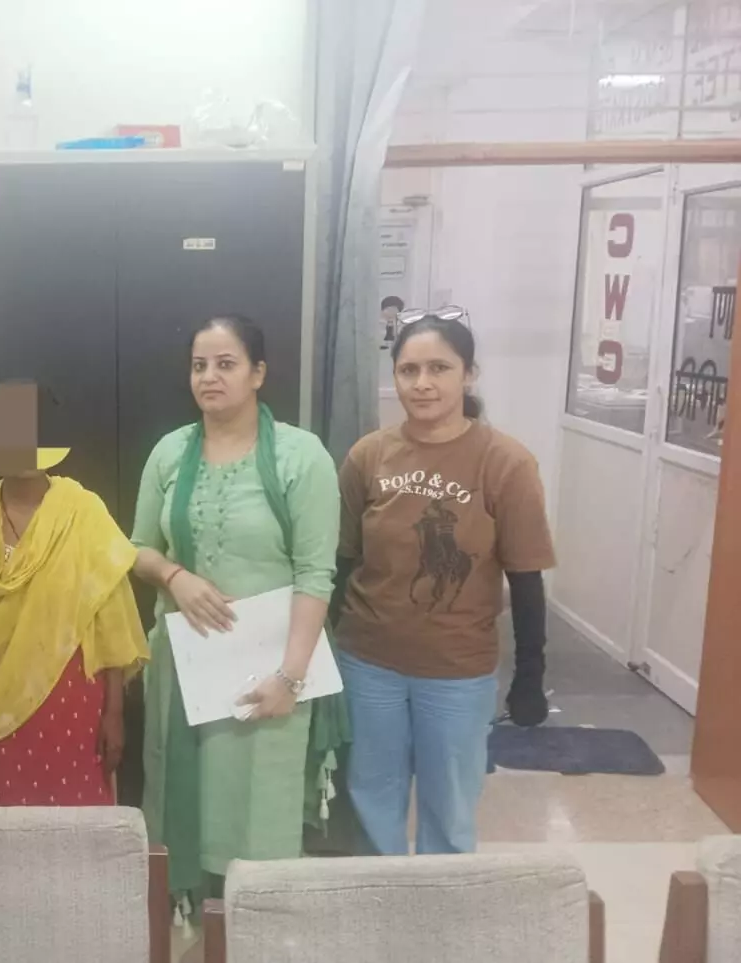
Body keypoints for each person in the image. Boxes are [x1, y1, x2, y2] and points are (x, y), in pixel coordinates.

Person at [129, 315, 347, 902]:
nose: (210, 377)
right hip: (185, 668)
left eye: (226, 364)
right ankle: (189, 917)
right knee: (182, 796)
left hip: (269, 673)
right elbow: (136, 547)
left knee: (258, 811)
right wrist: (175, 577)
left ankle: (256, 924)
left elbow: (316, 574)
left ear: (258, 374)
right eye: (199, 365)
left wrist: (290, 678)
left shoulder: (301, 456)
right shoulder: (170, 452)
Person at [334, 314, 555, 856]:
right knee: (370, 795)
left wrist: (530, 674)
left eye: (439, 368)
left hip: (456, 671)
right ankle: (376, 894)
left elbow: (526, 578)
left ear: (469, 374)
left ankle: (442, 901)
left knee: (450, 806)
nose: (423, 383)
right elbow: (342, 562)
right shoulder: (367, 456)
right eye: (408, 370)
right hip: (368, 662)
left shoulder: (506, 462)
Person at [0, 380, 148, 804]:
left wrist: (114, 713)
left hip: (71, 703)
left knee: (77, 828)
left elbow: (111, 622)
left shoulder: (83, 512)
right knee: (0, 831)